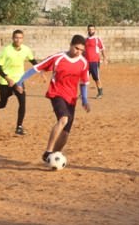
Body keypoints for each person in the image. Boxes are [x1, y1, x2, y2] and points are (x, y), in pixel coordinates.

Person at [15, 35, 91, 164]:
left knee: (66, 133)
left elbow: (84, 82)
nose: (78, 52)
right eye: (76, 48)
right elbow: (36, 68)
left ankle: (53, 157)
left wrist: (84, 100)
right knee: (63, 119)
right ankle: (48, 151)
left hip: (71, 98)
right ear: (70, 45)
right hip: (56, 93)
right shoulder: (57, 58)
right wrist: (20, 81)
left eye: (81, 50)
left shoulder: (83, 63)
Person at [0, 30, 38, 135]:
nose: (18, 40)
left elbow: (33, 61)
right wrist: (8, 79)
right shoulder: (7, 50)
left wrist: (42, 69)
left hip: (19, 81)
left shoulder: (26, 49)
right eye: (16, 37)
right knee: (3, 103)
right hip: (5, 82)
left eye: (20, 38)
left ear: (23, 39)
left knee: (22, 103)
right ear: (12, 38)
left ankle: (19, 127)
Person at [84, 24, 107, 99]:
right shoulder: (85, 39)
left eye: (92, 29)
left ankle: (100, 92)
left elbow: (102, 49)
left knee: (96, 78)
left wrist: (105, 58)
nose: (91, 31)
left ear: (94, 30)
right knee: (84, 78)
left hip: (94, 62)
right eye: (89, 29)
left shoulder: (97, 39)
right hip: (86, 62)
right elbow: (83, 51)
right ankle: (83, 93)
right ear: (87, 30)